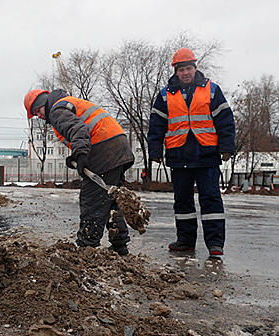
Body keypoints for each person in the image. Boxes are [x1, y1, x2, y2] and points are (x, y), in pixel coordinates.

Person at [147, 48, 236, 257]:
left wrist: (227, 146)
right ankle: (185, 241)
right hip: (179, 156)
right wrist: (155, 151)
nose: (186, 73)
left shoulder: (212, 90)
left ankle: (215, 244)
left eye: (189, 68)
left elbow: (225, 120)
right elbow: (156, 126)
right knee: (182, 201)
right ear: (176, 72)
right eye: (182, 70)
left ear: (195, 68)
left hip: (206, 155)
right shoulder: (165, 95)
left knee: (211, 199)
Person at [24, 89, 135, 255]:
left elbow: (78, 129)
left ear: (42, 103)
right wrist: (76, 155)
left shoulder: (56, 110)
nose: (38, 116)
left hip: (104, 147)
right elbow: (83, 130)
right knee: (110, 198)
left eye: (37, 111)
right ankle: (119, 246)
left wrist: (81, 153)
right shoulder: (68, 103)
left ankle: (86, 247)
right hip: (119, 146)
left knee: (92, 200)